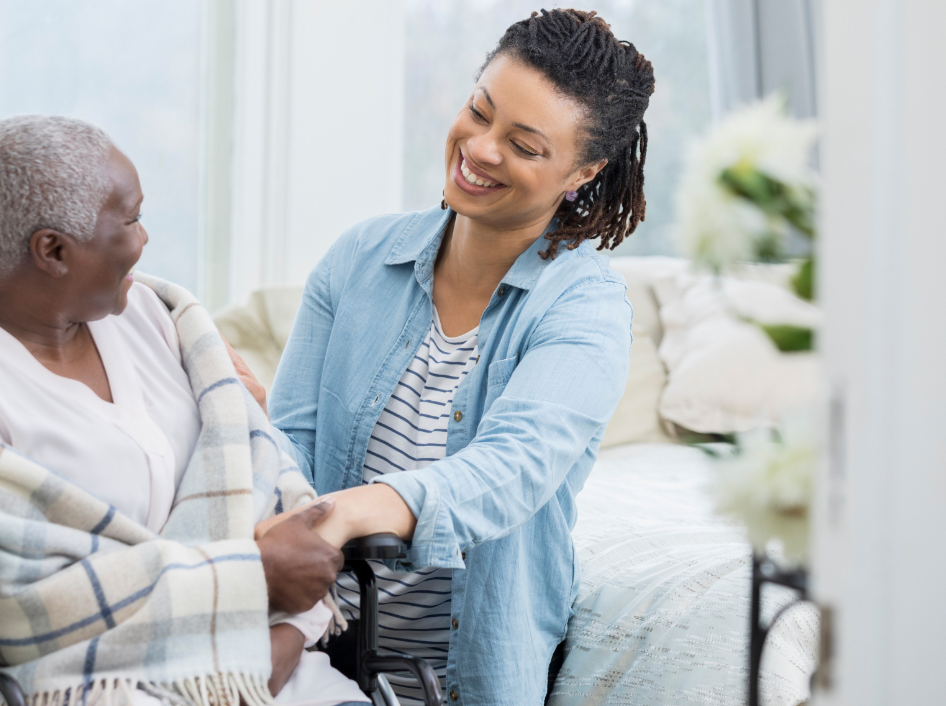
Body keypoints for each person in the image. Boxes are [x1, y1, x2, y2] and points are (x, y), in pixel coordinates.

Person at [0, 115, 368, 705]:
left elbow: (271, 485)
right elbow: (15, 604)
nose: (145, 238)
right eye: (130, 219)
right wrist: (250, 577)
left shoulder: (157, 319)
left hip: (273, 672)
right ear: (52, 250)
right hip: (88, 687)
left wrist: (284, 636)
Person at [256, 10, 656, 705]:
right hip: (310, 622)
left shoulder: (583, 307)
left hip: (461, 655)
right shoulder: (360, 258)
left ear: (582, 171)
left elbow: (516, 465)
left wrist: (369, 507)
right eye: (480, 111)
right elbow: (293, 439)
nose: (482, 148)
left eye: (525, 146)